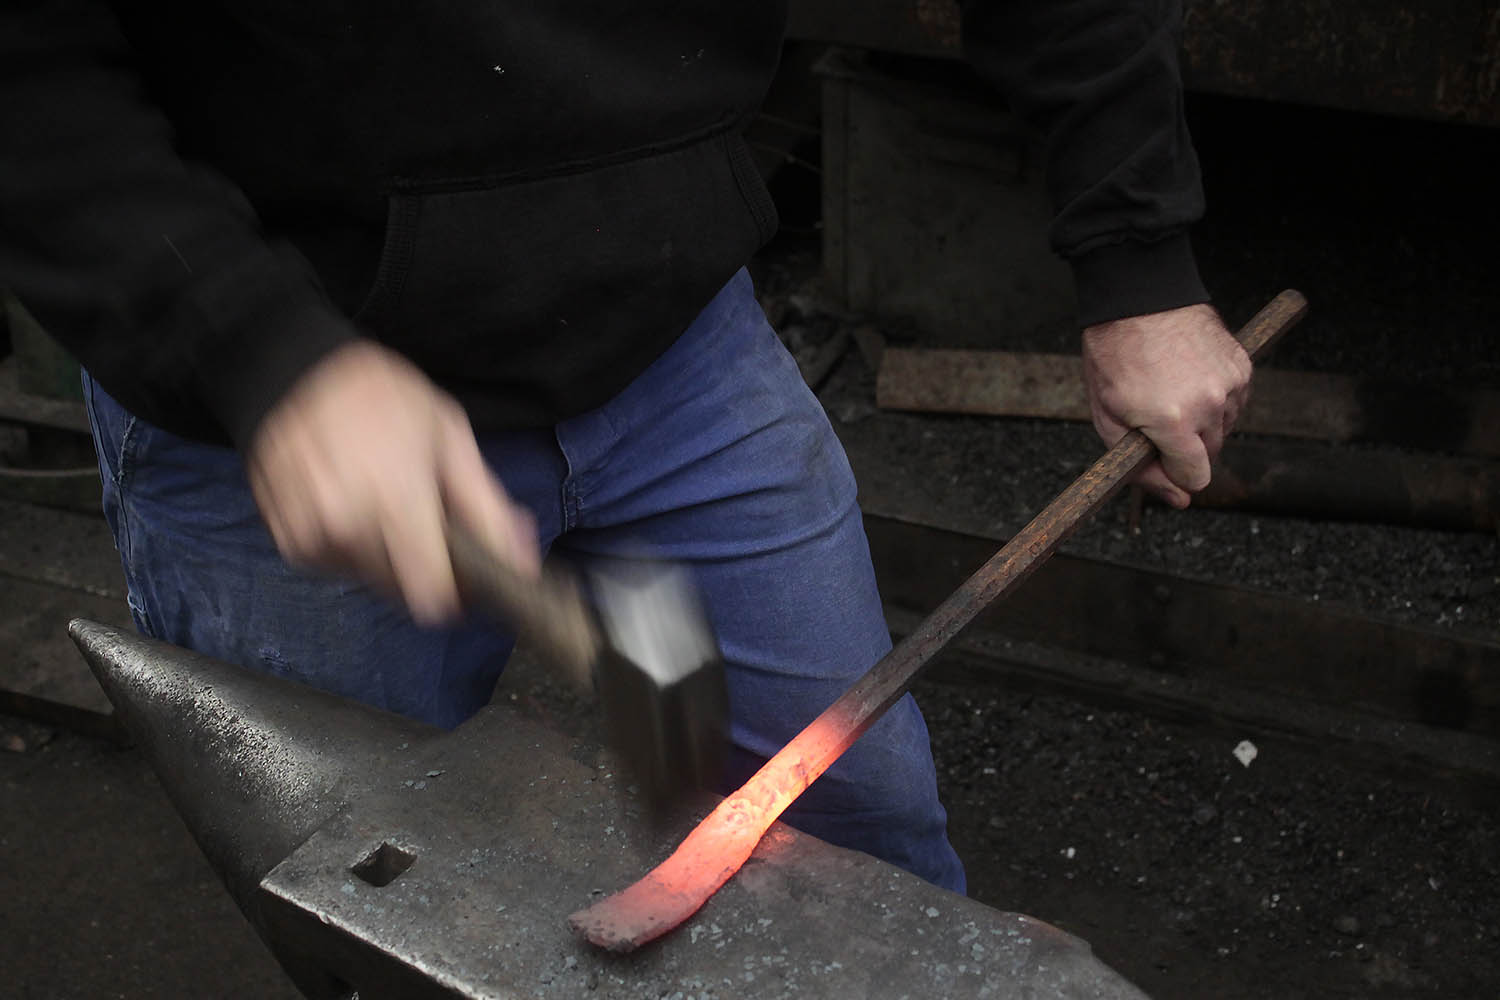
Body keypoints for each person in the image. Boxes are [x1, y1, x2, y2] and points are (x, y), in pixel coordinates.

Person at [0, 0, 1249, 897]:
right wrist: (255, 348)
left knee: (861, 827)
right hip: (278, 374)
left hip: (675, 333)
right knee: (368, 897)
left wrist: (1139, 262)